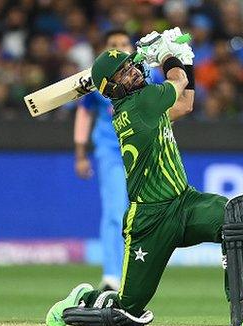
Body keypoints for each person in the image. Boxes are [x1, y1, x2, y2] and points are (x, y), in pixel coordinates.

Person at [46, 29, 243, 326]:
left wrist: (182, 61)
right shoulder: (140, 106)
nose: (133, 71)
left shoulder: (145, 103)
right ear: (111, 89)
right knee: (127, 311)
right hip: (150, 219)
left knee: (237, 216)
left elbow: (185, 103)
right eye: (123, 72)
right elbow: (179, 82)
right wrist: (170, 55)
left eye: (130, 64)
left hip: (184, 202)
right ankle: (83, 299)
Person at [74, 29, 148, 291]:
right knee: (115, 212)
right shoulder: (96, 79)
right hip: (111, 151)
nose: (118, 48)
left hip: (143, 152)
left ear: (132, 47)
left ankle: (138, 273)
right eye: (112, 45)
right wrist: (81, 153)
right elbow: (84, 114)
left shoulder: (148, 75)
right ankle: (112, 276)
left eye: (123, 44)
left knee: (143, 213)